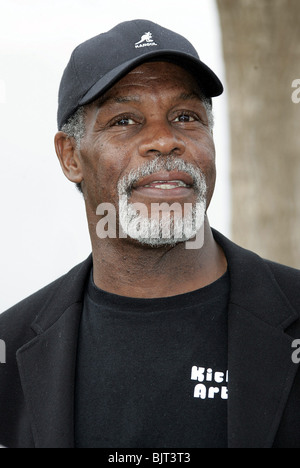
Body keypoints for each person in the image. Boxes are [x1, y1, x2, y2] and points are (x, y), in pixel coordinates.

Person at [0, 19, 300, 449]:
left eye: (185, 117)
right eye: (125, 120)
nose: (163, 140)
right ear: (70, 157)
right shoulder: (9, 353)